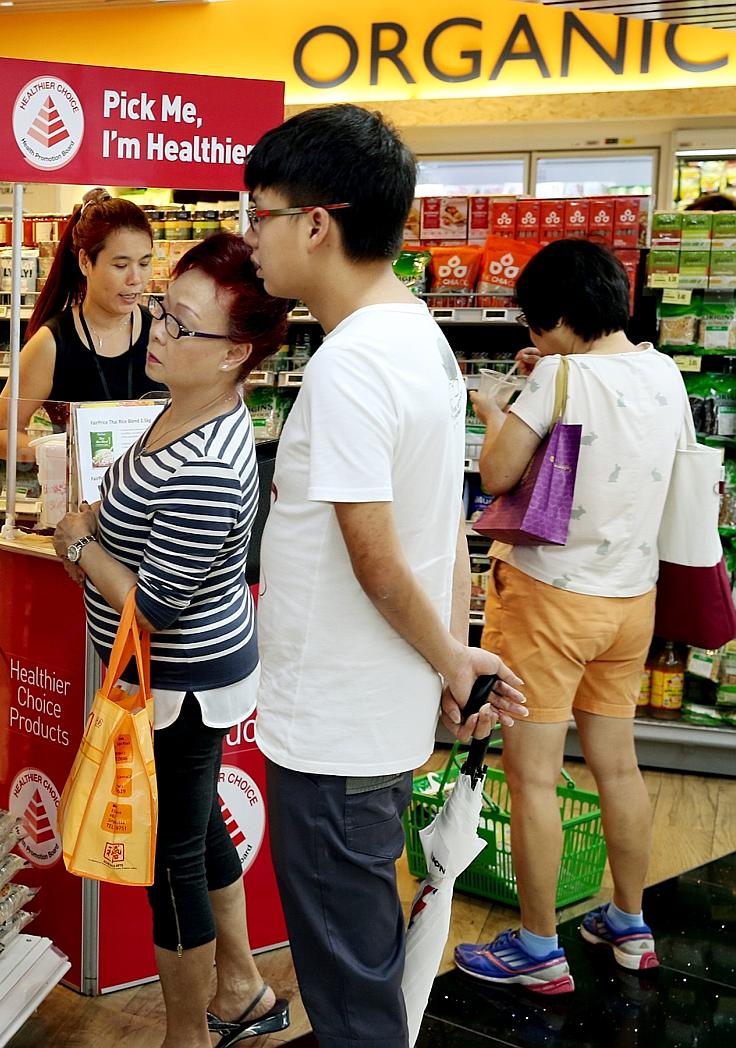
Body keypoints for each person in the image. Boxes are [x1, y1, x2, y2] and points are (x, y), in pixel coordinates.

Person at [244, 104, 528, 1048]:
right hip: (379, 711)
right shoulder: (422, 340)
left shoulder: (353, 362)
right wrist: (450, 659)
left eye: (260, 215)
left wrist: (451, 656)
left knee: (351, 988)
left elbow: (375, 558)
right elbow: (440, 526)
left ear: (316, 223)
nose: (251, 240)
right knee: (365, 952)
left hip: (332, 724)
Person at [53, 234, 292, 1048]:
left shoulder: (209, 464)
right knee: (191, 831)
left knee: (170, 864)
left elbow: (151, 606)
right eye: (164, 309)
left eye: (182, 325)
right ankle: (245, 984)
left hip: (180, 682)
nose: (159, 330)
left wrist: (81, 546)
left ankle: (189, 1034)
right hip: (175, 676)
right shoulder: (182, 406)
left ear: (235, 354)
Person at [453, 239, 684, 992]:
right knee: (618, 765)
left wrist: (496, 406)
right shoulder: (662, 371)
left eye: (534, 324)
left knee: (536, 780)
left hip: (550, 600)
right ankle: (629, 922)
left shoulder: (556, 375)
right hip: (630, 602)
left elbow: (496, 472)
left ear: (556, 317)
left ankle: (538, 945)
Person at [0, 189, 156, 462]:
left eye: (145, 263)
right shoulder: (52, 343)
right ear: (85, 261)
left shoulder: (162, 333)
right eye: (120, 265)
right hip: (78, 502)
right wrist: (66, 455)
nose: (136, 278)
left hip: (154, 500)